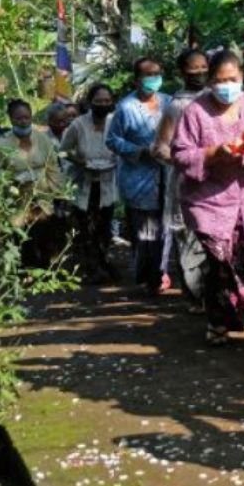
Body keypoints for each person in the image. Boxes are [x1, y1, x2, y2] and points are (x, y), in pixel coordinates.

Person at [170, 50, 244, 345]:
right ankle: (219, 319)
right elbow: (180, 155)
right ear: (210, 81)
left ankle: (223, 308)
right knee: (217, 260)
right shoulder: (195, 111)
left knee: (232, 257)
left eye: (232, 79)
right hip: (206, 199)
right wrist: (215, 152)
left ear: (242, 77)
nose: (226, 85)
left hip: (242, 198)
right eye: (219, 80)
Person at [152, 48, 212, 302]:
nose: (199, 72)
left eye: (203, 67)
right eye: (193, 67)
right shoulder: (176, 106)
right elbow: (160, 148)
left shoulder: (218, 100)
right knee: (188, 240)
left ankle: (214, 294)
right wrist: (186, 159)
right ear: (182, 72)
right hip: (186, 184)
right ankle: (194, 295)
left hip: (217, 185)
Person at [107, 57, 171, 295]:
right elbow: (112, 140)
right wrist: (139, 152)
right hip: (139, 179)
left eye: (157, 73)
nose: (153, 79)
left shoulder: (168, 102)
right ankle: (149, 276)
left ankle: (161, 271)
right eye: (148, 75)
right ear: (136, 80)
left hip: (167, 175)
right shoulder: (126, 107)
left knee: (165, 229)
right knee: (146, 230)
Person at [0, 99, 66, 267]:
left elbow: (53, 167)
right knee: (23, 238)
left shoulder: (43, 140)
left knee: (46, 235)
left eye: (26, 117)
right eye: (18, 118)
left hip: (43, 197)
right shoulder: (2, 144)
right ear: (10, 119)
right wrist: (12, 178)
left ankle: (46, 273)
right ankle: (25, 272)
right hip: (17, 200)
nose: (23, 121)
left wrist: (60, 193)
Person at [60, 84, 119, 283]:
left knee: (104, 226)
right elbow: (63, 151)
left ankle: (103, 263)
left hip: (108, 182)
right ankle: (91, 268)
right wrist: (80, 162)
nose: (103, 105)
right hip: (84, 183)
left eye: (107, 101)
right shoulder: (77, 125)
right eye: (98, 101)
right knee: (86, 228)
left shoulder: (115, 122)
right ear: (90, 103)